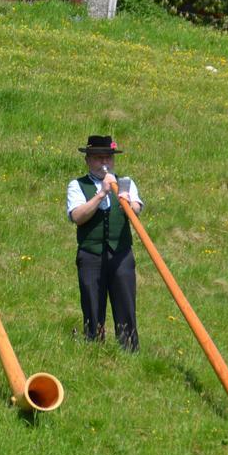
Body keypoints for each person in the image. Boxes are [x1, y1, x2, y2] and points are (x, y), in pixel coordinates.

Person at [66, 135, 143, 351]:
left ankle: (128, 350)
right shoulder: (77, 185)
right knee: (92, 303)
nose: (105, 164)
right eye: (99, 159)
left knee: (125, 303)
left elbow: (136, 210)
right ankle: (94, 349)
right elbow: (78, 216)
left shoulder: (126, 182)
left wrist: (127, 202)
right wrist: (102, 193)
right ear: (88, 160)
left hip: (121, 254)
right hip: (91, 254)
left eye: (108, 158)